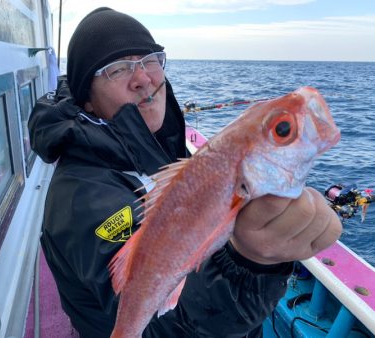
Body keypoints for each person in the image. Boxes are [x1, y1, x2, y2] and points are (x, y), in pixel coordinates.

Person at [28, 7, 342, 338]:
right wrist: (249, 266)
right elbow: (160, 330)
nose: (143, 78)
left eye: (150, 59)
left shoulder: (155, 147)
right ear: (87, 100)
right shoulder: (82, 198)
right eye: (117, 69)